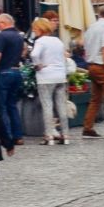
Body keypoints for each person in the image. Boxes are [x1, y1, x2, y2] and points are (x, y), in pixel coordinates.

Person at [0, 12, 27, 155]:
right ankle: (18, 136)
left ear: (2, 23)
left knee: (1, 106)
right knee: (12, 105)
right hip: (16, 72)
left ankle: (6, 136)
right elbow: (23, 52)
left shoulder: (2, 36)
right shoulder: (19, 37)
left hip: (3, 72)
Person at [28, 15, 71, 145]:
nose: (34, 31)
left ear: (40, 29)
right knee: (61, 106)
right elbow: (64, 57)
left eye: (35, 29)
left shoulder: (40, 41)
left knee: (47, 106)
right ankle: (66, 135)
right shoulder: (57, 40)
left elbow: (34, 54)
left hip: (46, 76)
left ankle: (49, 136)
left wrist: (38, 64)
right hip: (60, 76)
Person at [79, 9, 104, 138]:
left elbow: (84, 46)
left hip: (91, 65)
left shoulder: (91, 27)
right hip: (102, 66)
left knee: (96, 99)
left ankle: (88, 128)